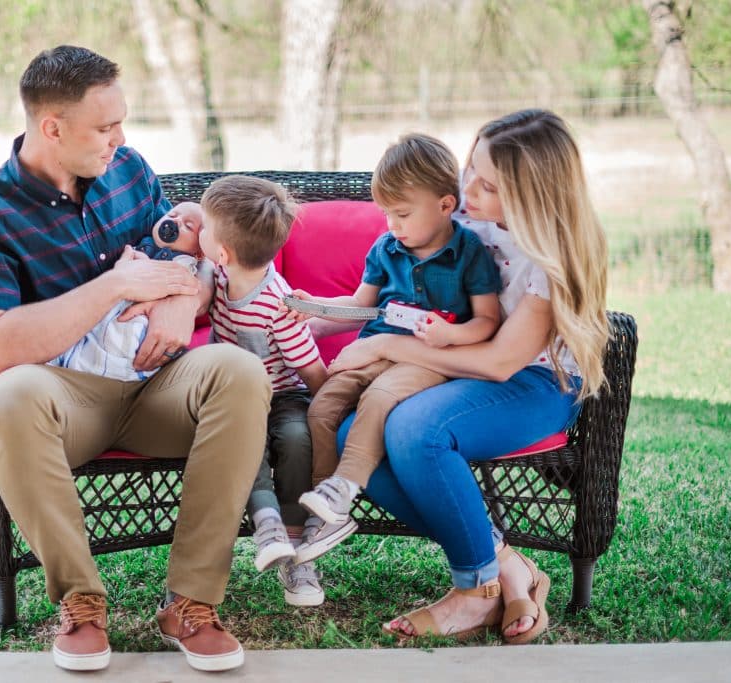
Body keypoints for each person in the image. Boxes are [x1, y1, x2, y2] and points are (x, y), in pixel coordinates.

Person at [0, 45, 269, 673]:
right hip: (66, 401)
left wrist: (184, 299)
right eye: (104, 126)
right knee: (9, 395)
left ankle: (190, 602)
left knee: (238, 372)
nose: (120, 138)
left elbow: (188, 261)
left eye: (122, 121)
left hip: (158, 382)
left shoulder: (129, 171)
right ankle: (80, 602)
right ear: (52, 128)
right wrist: (115, 287)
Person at [323, 109, 609, 643]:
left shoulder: (553, 257)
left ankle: (473, 592)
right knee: (350, 438)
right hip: (457, 367)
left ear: (532, 197)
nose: (468, 190)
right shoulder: (466, 208)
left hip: (534, 383)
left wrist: (390, 344)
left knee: (415, 430)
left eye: (489, 186)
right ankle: (507, 569)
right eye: (470, 169)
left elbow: (500, 362)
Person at [287, 134, 501, 563]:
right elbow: (360, 306)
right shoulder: (386, 248)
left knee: (381, 399)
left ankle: (345, 486)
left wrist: (450, 334)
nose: (392, 225)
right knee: (322, 407)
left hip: (429, 360)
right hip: (373, 350)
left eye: (402, 214)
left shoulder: (469, 252)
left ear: (445, 205)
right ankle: (328, 509)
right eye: (386, 213)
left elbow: (488, 320)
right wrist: (309, 312)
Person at [198, 175, 331, 607]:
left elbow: (311, 370)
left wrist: (332, 415)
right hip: (238, 400)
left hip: (287, 396)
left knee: (296, 438)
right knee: (245, 437)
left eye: (203, 226)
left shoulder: (278, 305)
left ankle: (297, 549)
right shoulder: (216, 276)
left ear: (223, 251)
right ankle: (267, 523)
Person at [49, 202, 204, 381]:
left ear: (198, 253)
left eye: (188, 226)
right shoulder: (143, 243)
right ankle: (77, 363)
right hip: (108, 308)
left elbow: (185, 286)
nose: (175, 222)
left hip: (141, 320)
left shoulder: (185, 263)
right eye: (172, 215)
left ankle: (108, 367)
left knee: (124, 337)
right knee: (90, 334)